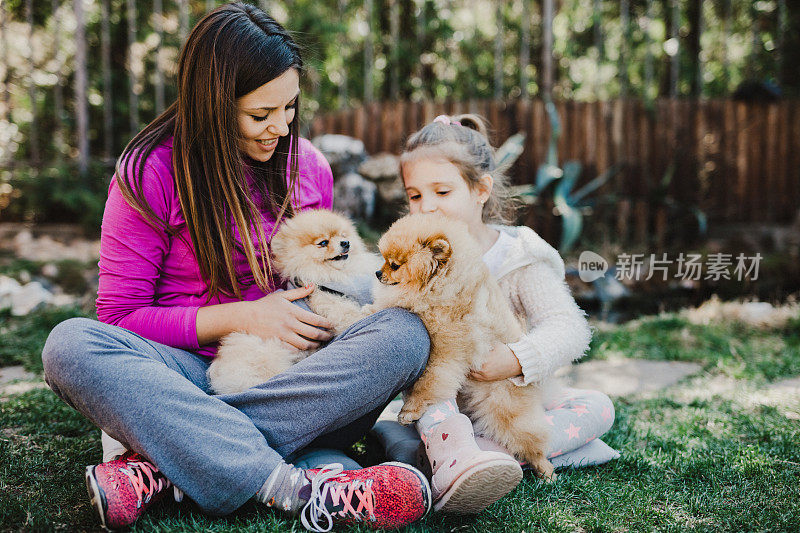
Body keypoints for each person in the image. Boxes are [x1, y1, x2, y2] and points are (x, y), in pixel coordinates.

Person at [40, 4, 432, 532]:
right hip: (184, 376)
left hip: (293, 376)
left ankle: (170, 463)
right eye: (259, 115)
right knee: (71, 345)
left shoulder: (307, 167)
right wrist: (243, 317)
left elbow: (330, 283)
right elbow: (119, 318)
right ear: (212, 106)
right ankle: (296, 488)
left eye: (289, 108)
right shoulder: (149, 174)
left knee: (405, 334)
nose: (280, 127)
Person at [372, 114, 619, 513]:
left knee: (598, 406)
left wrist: (516, 359)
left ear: (481, 190)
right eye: (415, 196)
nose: (426, 207)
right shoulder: (411, 257)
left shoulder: (518, 256)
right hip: (441, 405)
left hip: (506, 402)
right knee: (408, 414)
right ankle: (459, 455)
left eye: (442, 191)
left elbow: (568, 327)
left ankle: (456, 460)